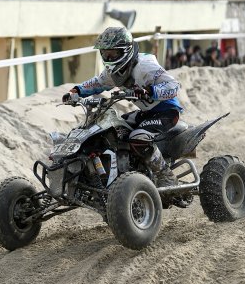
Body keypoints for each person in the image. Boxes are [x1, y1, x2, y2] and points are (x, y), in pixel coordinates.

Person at [62, 27, 183, 187]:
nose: (109, 57)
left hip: (166, 111)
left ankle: (165, 176)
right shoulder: (113, 73)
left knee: (138, 137)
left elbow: (174, 86)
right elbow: (97, 83)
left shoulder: (145, 66)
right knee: (115, 130)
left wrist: (149, 91)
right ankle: (127, 171)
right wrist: (76, 91)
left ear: (125, 51)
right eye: (105, 54)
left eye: (113, 53)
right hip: (145, 113)